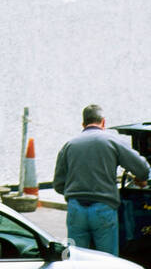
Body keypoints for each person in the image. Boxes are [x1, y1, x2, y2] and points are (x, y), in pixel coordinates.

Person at [53, 104, 150, 255]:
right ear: (103, 122)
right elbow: (143, 168)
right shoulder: (112, 141)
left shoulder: (69, 145)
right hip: (103, 208)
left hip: (75, 209)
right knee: (107, 260)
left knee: (78, 258)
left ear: (83, 123)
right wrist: (141, 178)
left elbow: (58, 184)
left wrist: (76, 192)